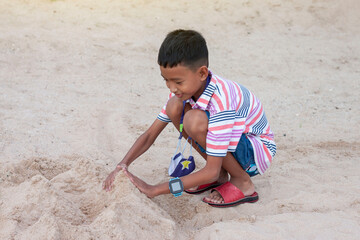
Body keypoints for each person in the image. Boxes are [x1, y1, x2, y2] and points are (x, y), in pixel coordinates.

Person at [103, 29, 276, 207]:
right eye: (166, 80)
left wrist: (154, 189)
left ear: (202, 73)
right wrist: (122, 165)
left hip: (255, 152)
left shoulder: (221, 101)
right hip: (233, 144)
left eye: (178, 82)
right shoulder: (184, 94)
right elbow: (149, 135)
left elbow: (210, 172)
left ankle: (242, 181)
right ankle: (223, 174)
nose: (172, 88)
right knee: (174, 108)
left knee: (194, 121)